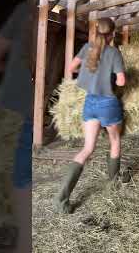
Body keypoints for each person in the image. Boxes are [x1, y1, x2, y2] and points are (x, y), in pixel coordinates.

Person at [54, 18, 126, 214]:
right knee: (114, 141)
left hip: (90, 103)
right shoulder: (114, 53)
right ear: (112, 34)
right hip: (108, 103)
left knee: (87, 149)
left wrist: (87, 74)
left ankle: (62, 198)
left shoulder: (87, 47)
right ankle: (113, 182)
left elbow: (71, 68)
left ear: (96, 32)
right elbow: (121, 82)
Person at [0, 0, 35, 253]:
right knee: (24, 174)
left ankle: (16, 235)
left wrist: (7, 70)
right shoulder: (61, 9)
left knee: (17, 174)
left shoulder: (25, 10)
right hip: (31, 106)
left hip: (12, 104)